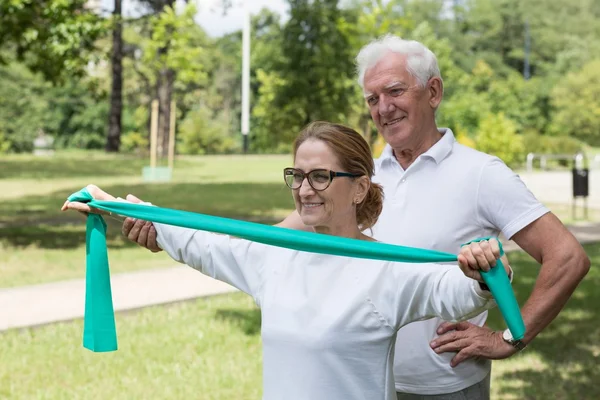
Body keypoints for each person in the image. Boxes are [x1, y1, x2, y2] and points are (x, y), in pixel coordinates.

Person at [121, 36, 590, 398]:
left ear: (433, 91)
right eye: (371, 99)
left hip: (444, 386)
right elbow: (266, 244)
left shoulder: (480, 174)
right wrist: (150, 222)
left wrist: (510, 335)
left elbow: (562, 258)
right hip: (358, 375)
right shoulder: (356, 171)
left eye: (394, 91)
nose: (383, 108)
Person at [63, 122, 511, 400]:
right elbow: (201, 239)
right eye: (297, 175)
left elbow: (457, 291)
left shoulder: (387, 272)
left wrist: (488, 271)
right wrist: (118, 207)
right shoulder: (274, 259)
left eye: (320, 176)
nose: (303, 188)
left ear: (358, 188)